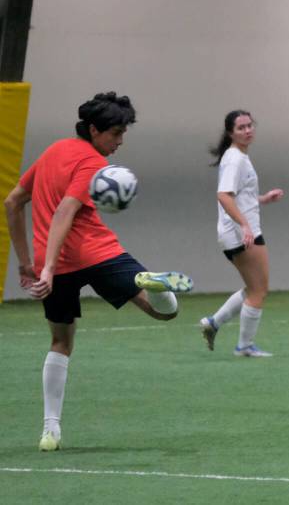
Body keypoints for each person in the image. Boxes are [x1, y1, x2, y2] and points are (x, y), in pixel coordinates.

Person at [3, 92, 193, 451]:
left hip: (52, 261)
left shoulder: (53, 151)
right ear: (94, 129)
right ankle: (153, 284)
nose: (120, 142)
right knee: (164, 312)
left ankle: (50, 431)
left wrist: (30, 263)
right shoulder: (93, 163)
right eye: (116, 134)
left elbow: (12, 202)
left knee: (60, 342)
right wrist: (46, 268)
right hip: (96, 253)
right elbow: (65, 211)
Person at [198, 110, 284, 357]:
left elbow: (239, 196)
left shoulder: (237, 157)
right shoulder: (235, 159)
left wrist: (262, 199)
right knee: (259, 291)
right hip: (241, 234)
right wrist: (245, 226)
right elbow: (224, 196)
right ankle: (244, 346)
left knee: (253, 287)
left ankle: (213, 323)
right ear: (230, 133)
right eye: (241, 128)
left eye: (249, 125)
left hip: (238, 232)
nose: (247, 130)